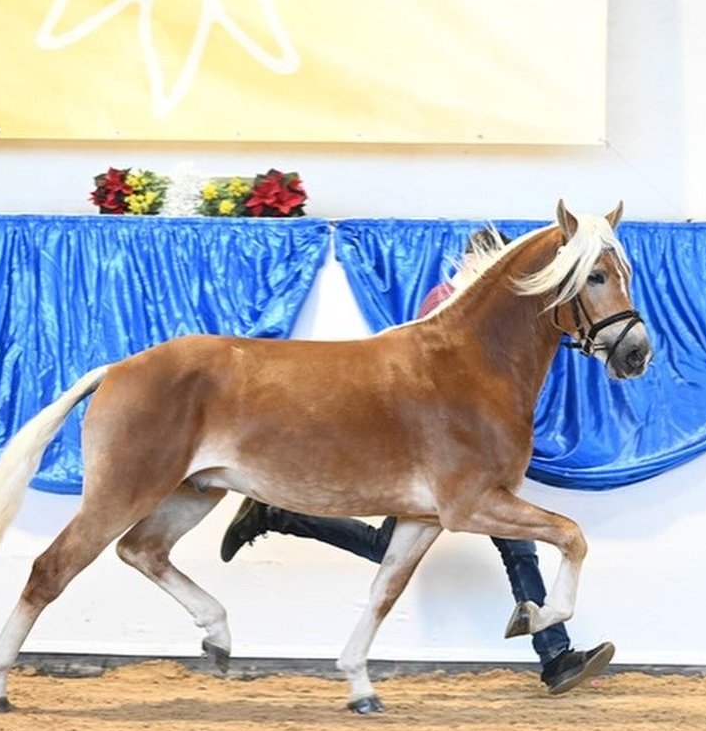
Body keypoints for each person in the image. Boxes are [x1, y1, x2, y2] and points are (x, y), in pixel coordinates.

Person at [218, 228, 616, 695]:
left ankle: (555, 654)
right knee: (405, 544)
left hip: (464, 456)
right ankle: (555, 654)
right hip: (433, 453)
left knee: (489, 543)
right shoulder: (448, 302)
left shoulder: (506, 315)